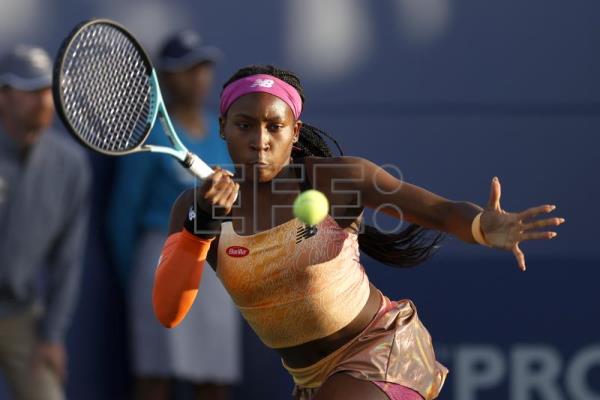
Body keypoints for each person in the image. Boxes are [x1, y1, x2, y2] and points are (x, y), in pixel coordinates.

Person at [151, 65, 565, 400]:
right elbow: (168, 312)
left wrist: (480, 226)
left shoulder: (338, 180)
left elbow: (439, 212)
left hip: (384, 350)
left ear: (294, 133)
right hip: (313, 382)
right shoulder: (194, 208)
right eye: (244, 125)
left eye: (274, 127)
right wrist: (200, 225)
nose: (260, 140)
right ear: (223, 127)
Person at [107, 30, 240, 400]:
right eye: (186, 69)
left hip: (216, 269)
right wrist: (135, 279)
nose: (198, 77)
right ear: (165, 76)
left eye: (203, 68)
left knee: (215, 381)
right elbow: (123, 214)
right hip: (159, 260)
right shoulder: (146, 134)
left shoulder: (223, 133)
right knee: (155, 378)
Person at [0, 45, 91, 400]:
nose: (43, 100)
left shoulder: (70, 165)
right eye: (31, 90)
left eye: (48, 90)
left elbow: (67, 261)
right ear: (4, 96)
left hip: (24, 316)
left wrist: (52, 336)